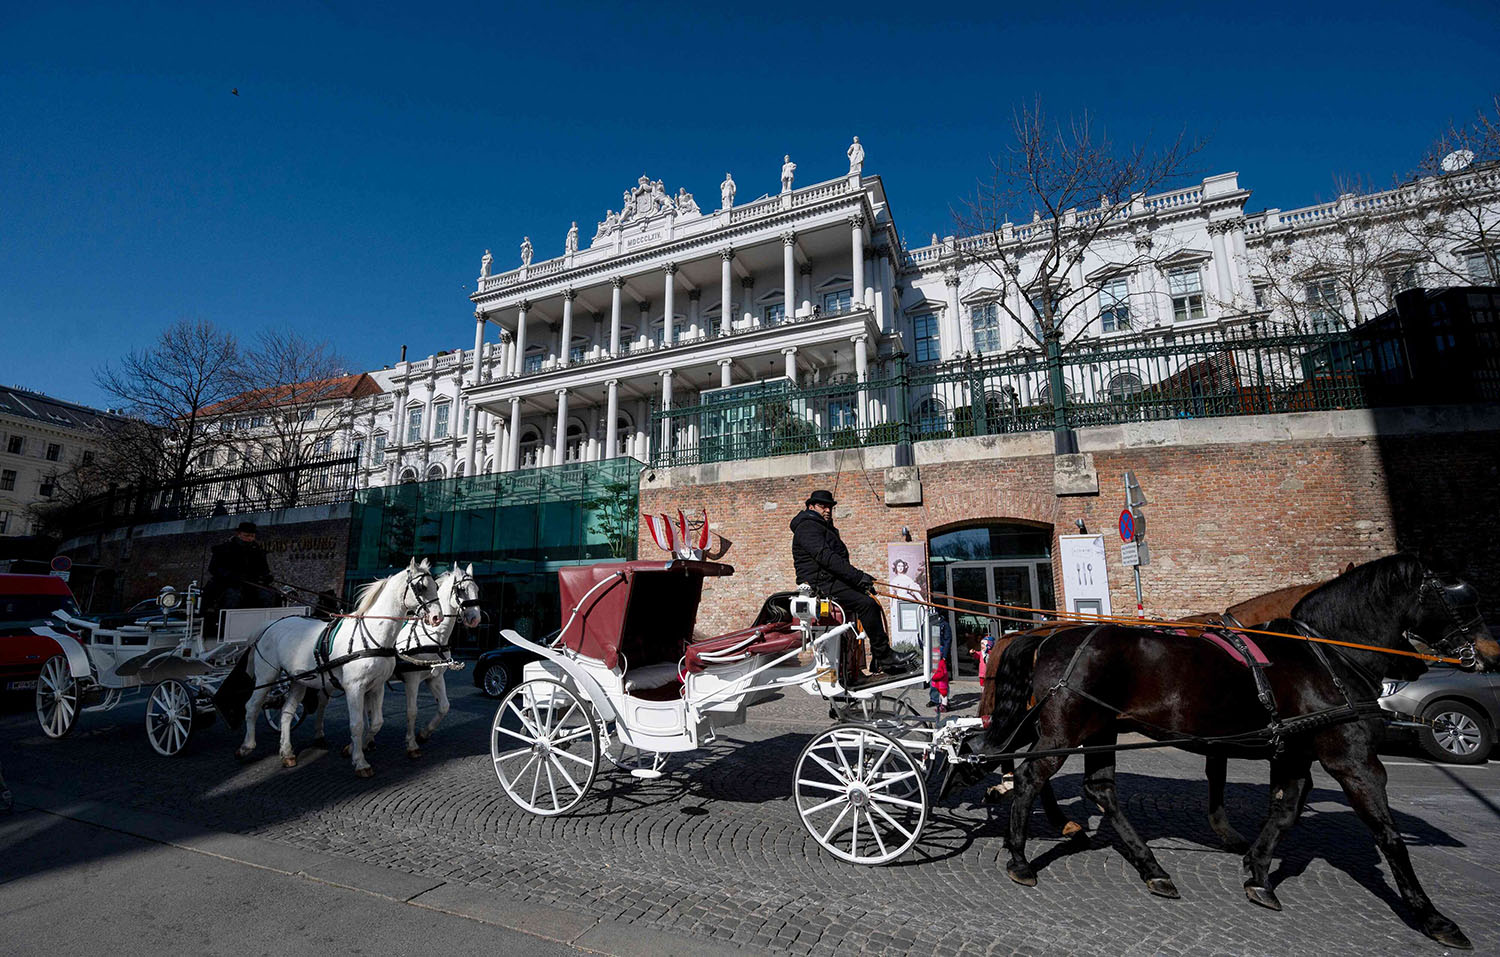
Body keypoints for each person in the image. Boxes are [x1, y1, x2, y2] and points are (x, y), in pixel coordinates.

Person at [789, 490, 914, 677]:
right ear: (811, 507)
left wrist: (861, 582)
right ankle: (883, 656)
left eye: (830, 506)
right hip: (820, 583)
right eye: (823, 506)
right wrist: (857, 578)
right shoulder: (807, 527)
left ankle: (874, 661)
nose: (828, 510)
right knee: (867, 604)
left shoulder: (821, 527)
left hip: (828, 580)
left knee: (868, 601)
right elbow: (826, 558)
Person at [203, 521, 276, 617]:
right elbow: (214, 568)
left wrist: (266, 577)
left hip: (253, 584)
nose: (250, 539)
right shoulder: (224, 549)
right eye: (247, 535)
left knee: (269, 595)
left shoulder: (258, 551)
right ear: (239, 534)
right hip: (228, 584)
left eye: (252, 536)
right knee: (233, 596)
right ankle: (227, 621)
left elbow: (264, 569)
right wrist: (230, 575)